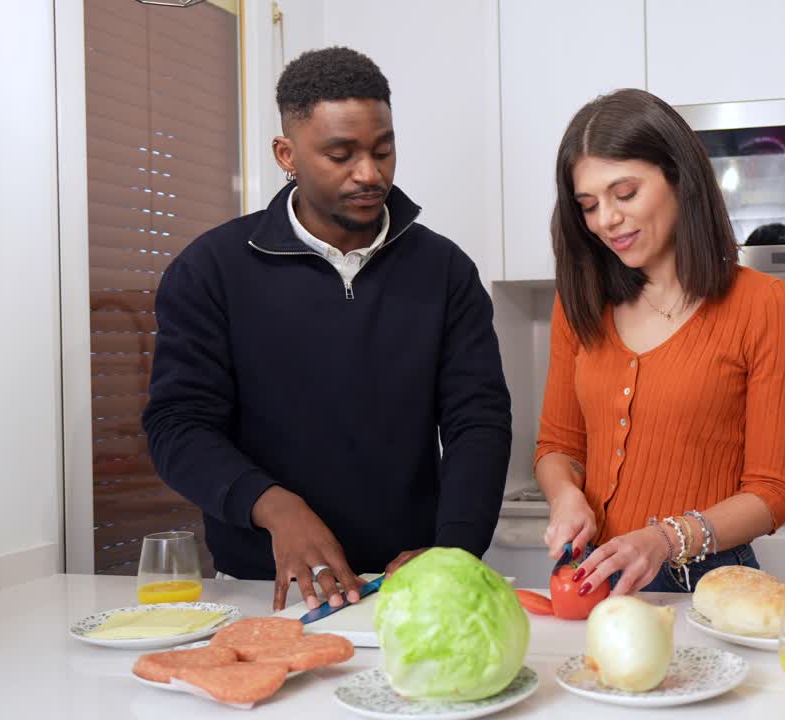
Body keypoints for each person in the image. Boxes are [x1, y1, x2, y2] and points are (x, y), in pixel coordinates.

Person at [142, 47, 512, 611]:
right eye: (340, 155)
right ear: (286, 154)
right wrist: (275, 507)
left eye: (383, 150)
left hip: (409, 585)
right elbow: (177, 427)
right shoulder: (211, 269)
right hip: (262, 588)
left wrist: (454, 550)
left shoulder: (444, 270)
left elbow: (477, 421)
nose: (369, 173)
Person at [535, 88, 785, 596]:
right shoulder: (579, 302)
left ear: (679, 179)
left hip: (709, 585)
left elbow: (772, 492)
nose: (606, 220)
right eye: (589, 205)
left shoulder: (763, 304)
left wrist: (665, 538)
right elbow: (559, 447)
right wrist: (565, 496)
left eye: (625, 193)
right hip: (595, 581)